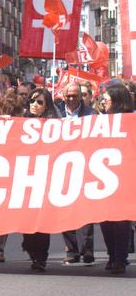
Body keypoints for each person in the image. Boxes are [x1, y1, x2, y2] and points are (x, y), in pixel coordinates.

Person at [56, 82, 97, 265]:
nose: (71, 99)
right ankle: (72, 251)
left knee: (85, 212)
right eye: (68, 96)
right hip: (62, 168)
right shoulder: (54, 114)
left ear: (81, 96)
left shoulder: (92, 114)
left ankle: (87, 249)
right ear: (63, 96)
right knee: (65, 211)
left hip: (86, 167)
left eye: (75, 95)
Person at [22, 87, 59, 272]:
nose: (34, 105)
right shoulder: (20, 122)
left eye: (39, 102)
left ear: (47, 105)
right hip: (24, 178)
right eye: (32, 101)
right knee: (26, 221)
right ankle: (31, 249)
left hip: (44, 178)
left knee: (41, 221)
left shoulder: (55, 124)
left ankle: (41, 257)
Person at [99, 83, 133, 274]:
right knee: (105, 219)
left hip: (125, 177)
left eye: (107, 98)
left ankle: (120, 258)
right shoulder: (99, 122)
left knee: (120, 220)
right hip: (104, 178)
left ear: (118, 101)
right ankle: (112, 255)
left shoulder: (131, 120)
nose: (103, 101)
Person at [0, 90, 26, 262]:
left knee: (19, 213)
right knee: (2, 214)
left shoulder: (28, 126)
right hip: (3, 174)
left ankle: (31, 246)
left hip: (21, 173)